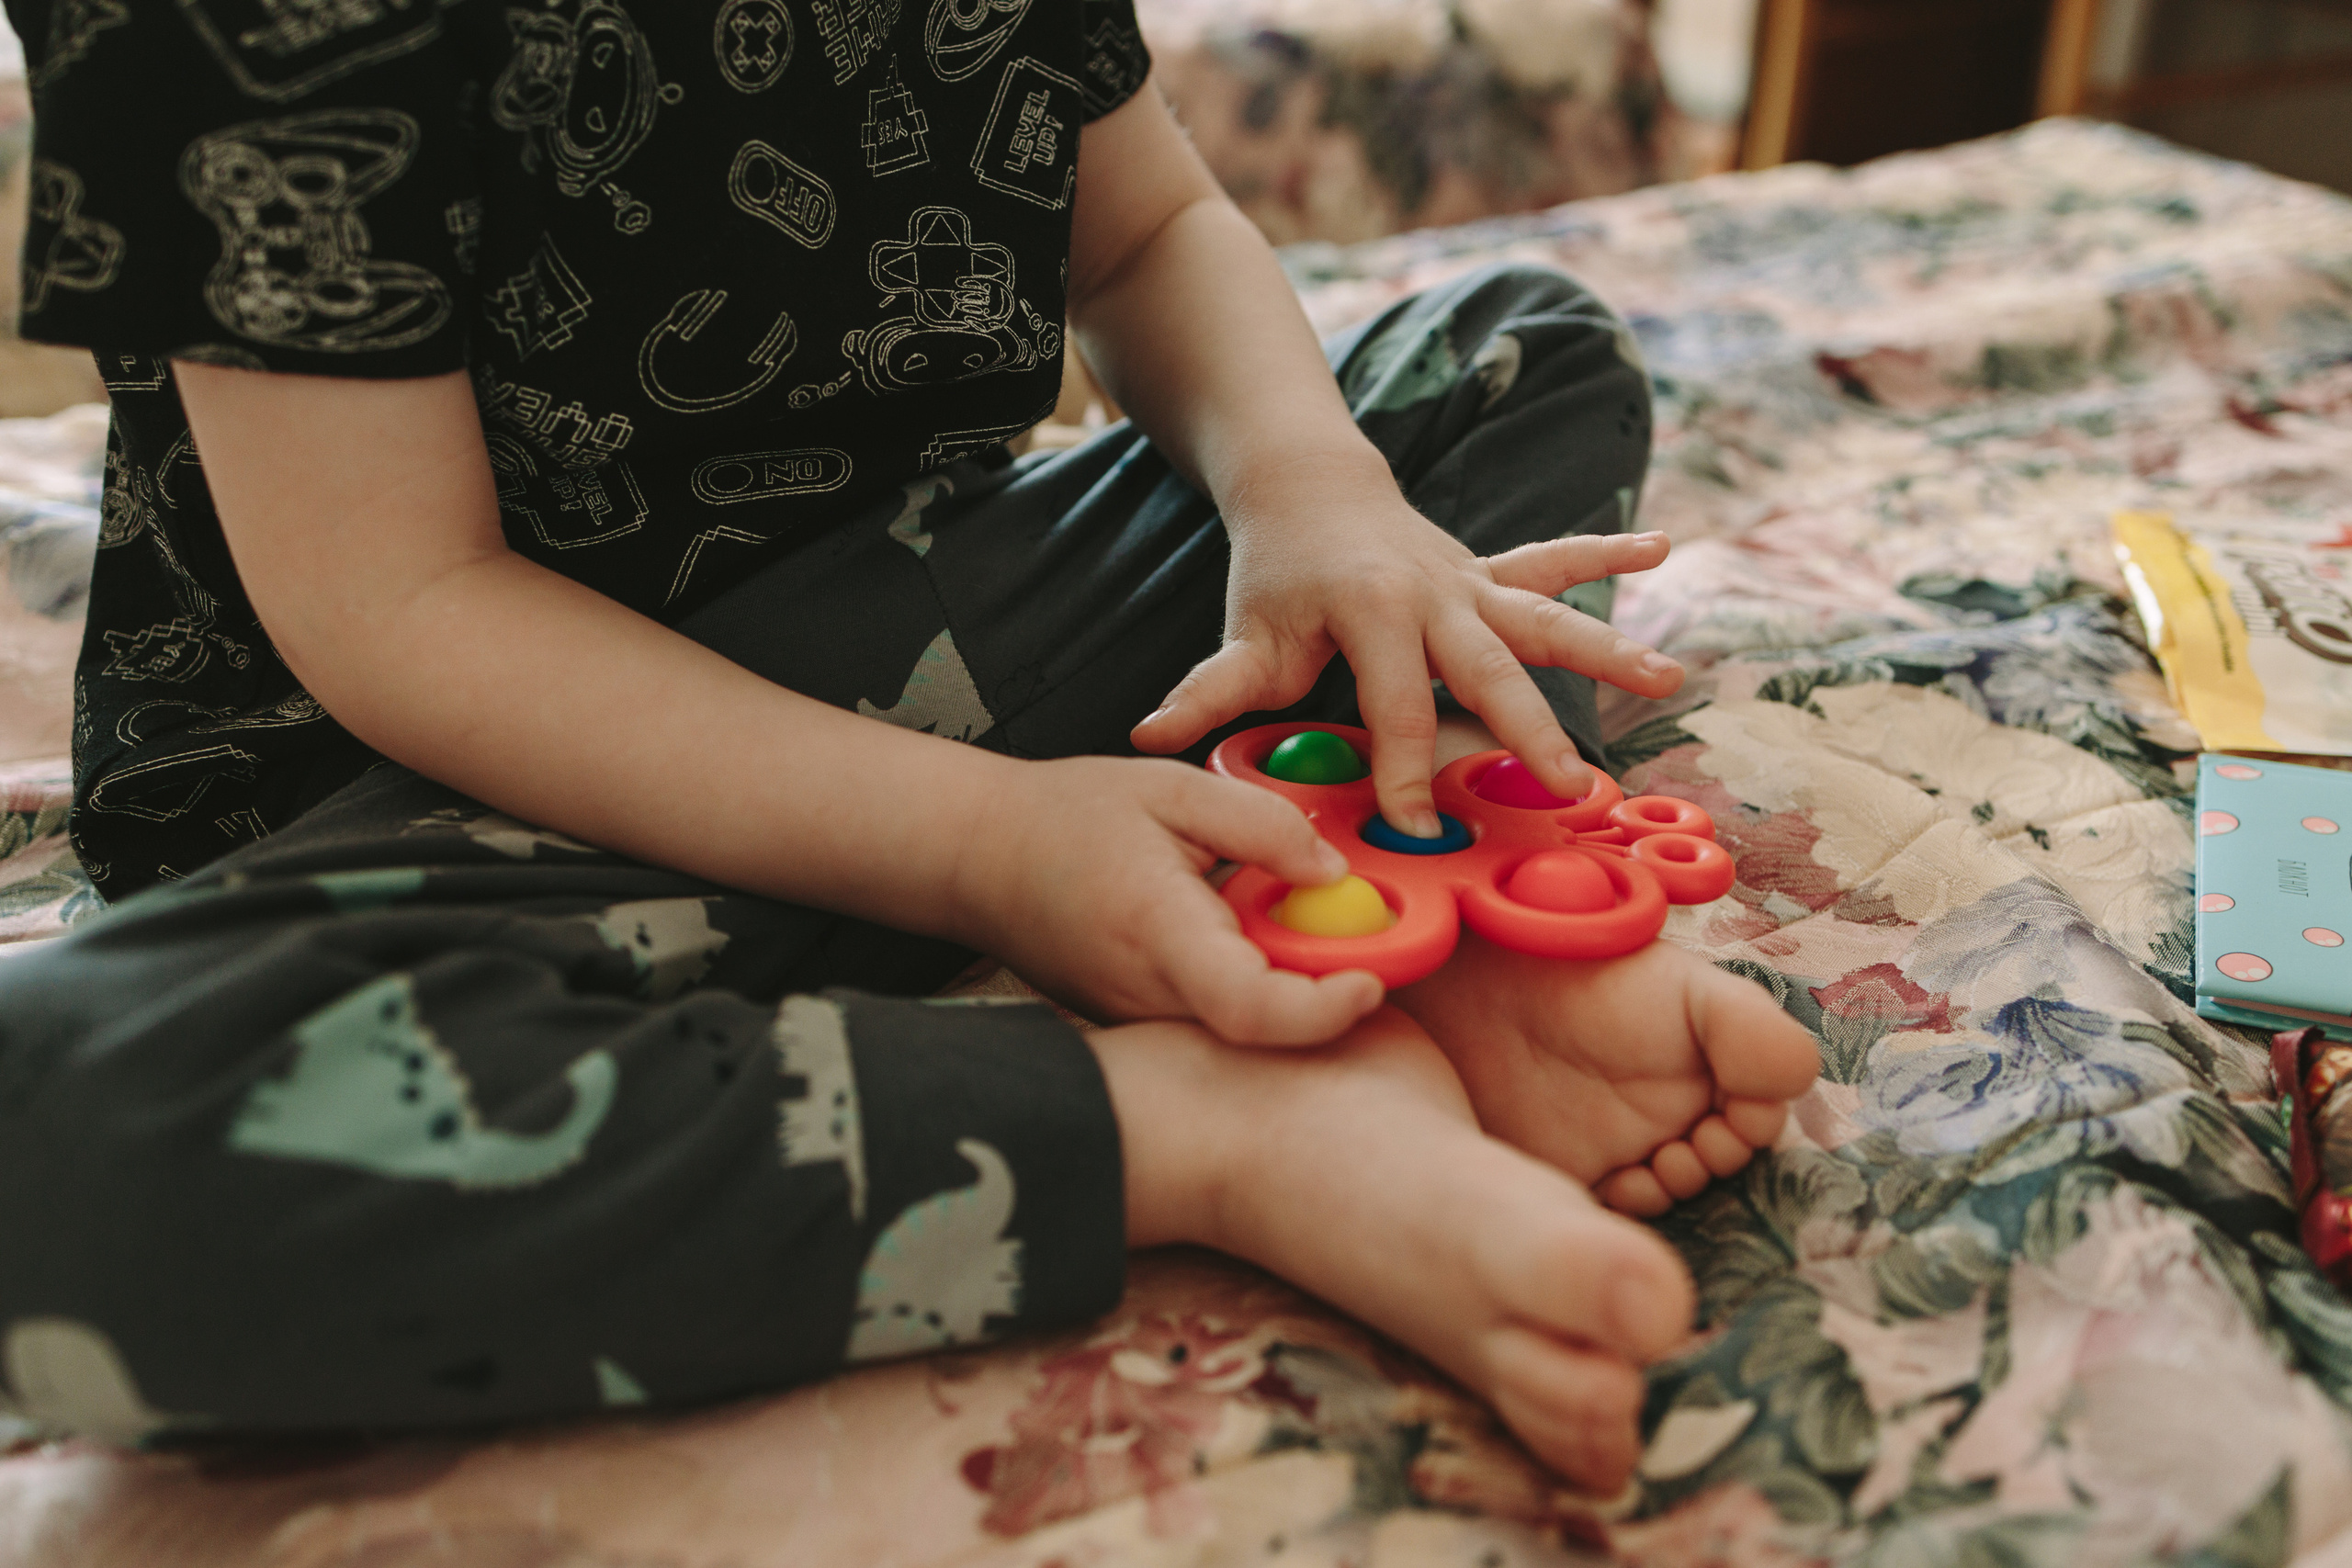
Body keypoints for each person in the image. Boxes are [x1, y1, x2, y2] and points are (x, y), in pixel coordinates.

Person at [0, 0, 1818, 1490]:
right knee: (50, 1150)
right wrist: (986, 846)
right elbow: (408, 605)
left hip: (912, 638)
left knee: (1509, 350)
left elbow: (1152, 230)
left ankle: (1372, 916)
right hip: (443, 803)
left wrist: (1304, 488)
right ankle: (1209, 1123)